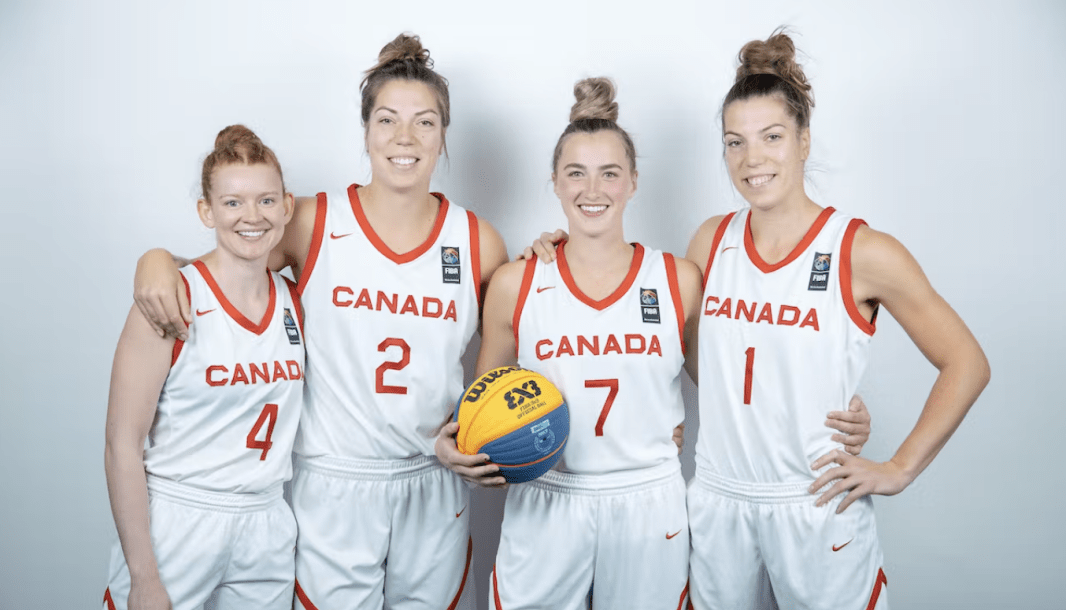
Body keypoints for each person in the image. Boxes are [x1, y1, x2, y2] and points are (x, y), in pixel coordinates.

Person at [132, 34, 509, 610]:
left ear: (443, 136)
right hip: (331, 481)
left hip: (434, 483)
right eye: (387, 120)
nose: (404, 138)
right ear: (365, 132)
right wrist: (158, 260)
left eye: (424, 122)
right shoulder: (313, 220)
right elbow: (229, 262)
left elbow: (509, 347)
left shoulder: (477, 241)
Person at [683, 30, 990, 609]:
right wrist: (557, 247)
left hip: (816, 501)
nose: (753, 159)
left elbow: (967, 362)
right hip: (719, 498)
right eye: (735, 142)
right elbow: (690, 354)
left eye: (772, 137)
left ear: (803, 141)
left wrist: (898, 468)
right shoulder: (710, 241)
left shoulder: (862, 250)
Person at [436, 77, 701, 609]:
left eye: (610, 173)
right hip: (546, 497)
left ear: (633, 182)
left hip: (647, 499)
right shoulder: (518, 282)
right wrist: (452, 446)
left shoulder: (679, 279)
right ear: (555, 182)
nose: (592, 189)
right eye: (575, 173)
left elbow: (735, 392)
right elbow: (481, 407)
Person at [103, 125, 303, 610]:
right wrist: (143, 575)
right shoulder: (170, 301)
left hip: (267, 521)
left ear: (287, 207)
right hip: (180, 518)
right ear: (206, 211)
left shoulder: (295, 300)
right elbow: (121, 446)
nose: (251, 216)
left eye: (266, 201)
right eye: (232, 203)